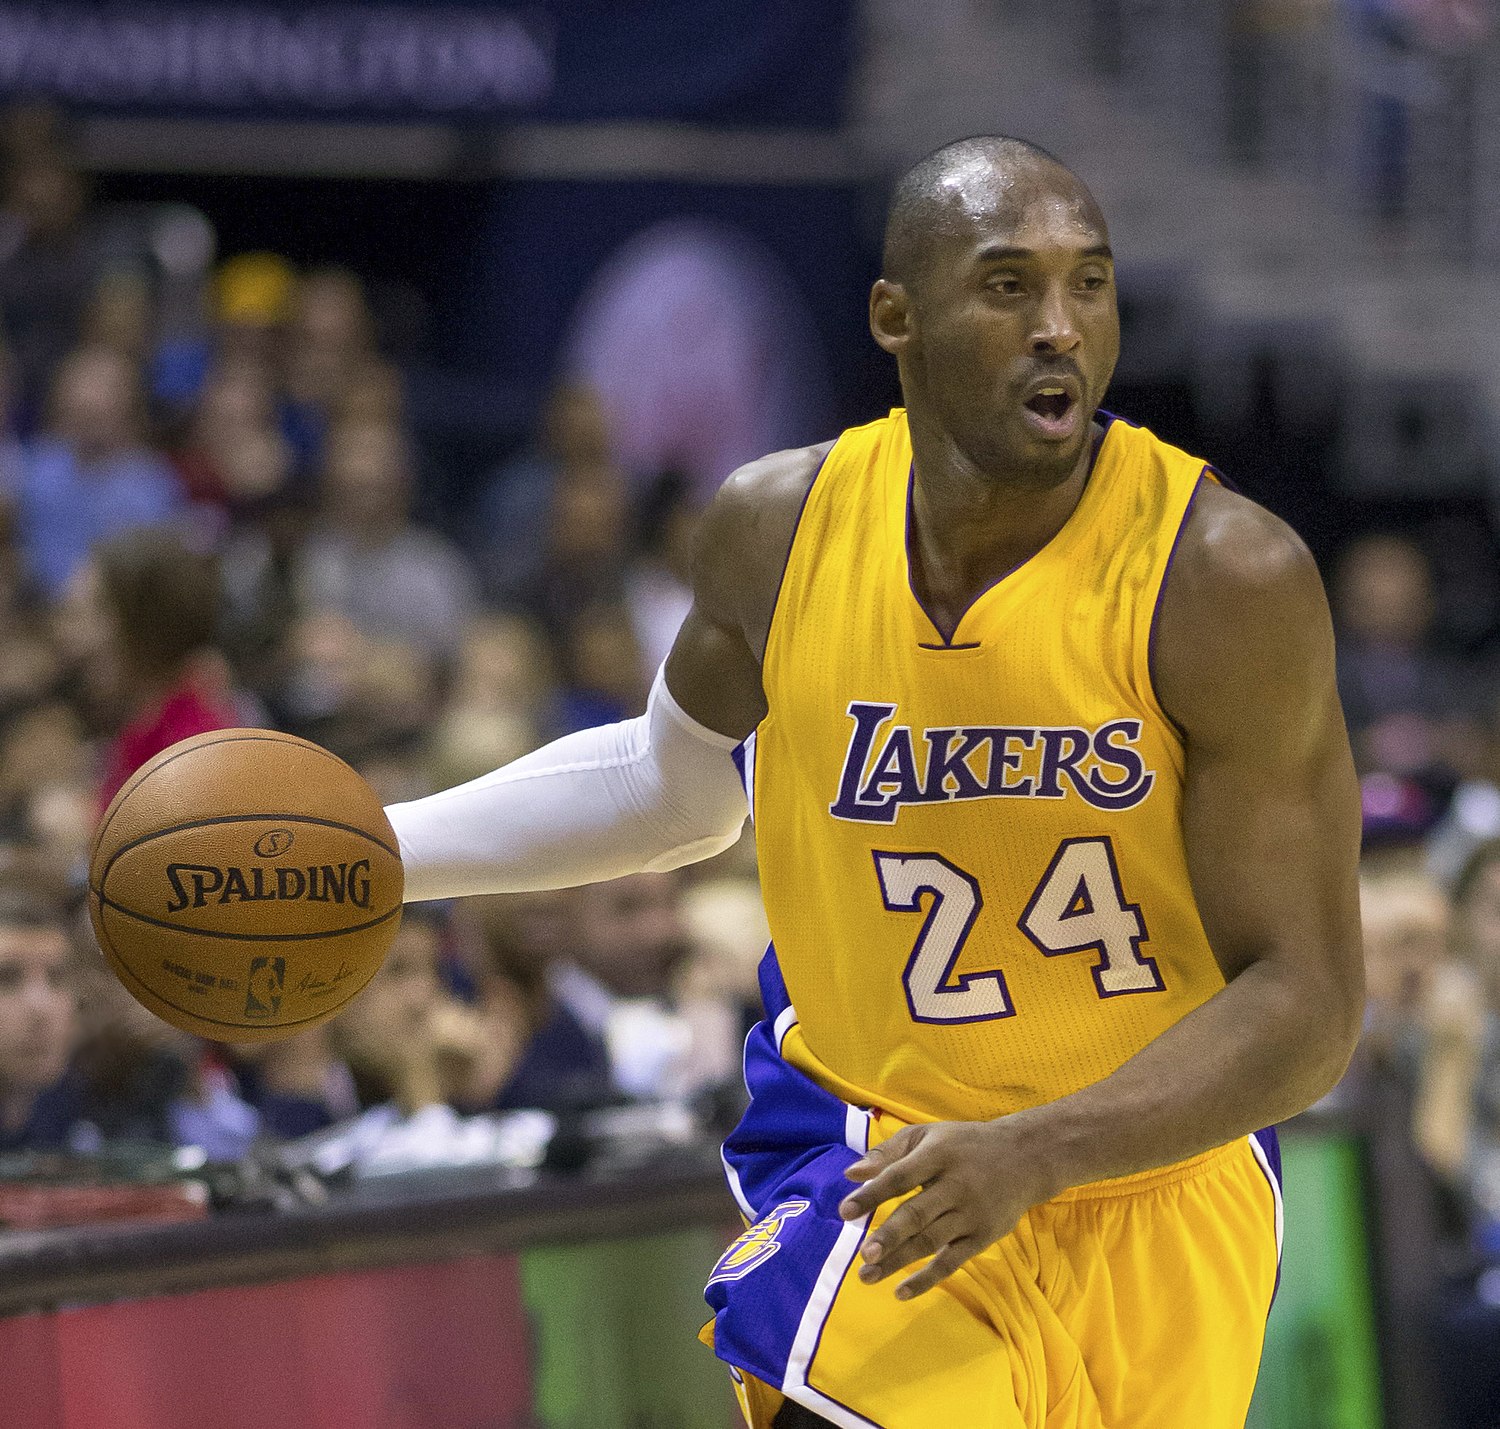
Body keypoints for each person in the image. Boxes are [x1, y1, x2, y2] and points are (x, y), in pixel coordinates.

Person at [385, 136, 1364, 1428]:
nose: (1061, 328)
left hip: (1159, 1186)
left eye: (1091, 284)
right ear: (896, 317)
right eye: (1010, 286)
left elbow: (1309, 1002)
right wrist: (378, 848)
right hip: (878, 1164)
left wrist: (1040, 1149)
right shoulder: (777, 528)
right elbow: (670, 785)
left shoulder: (1222, 577)